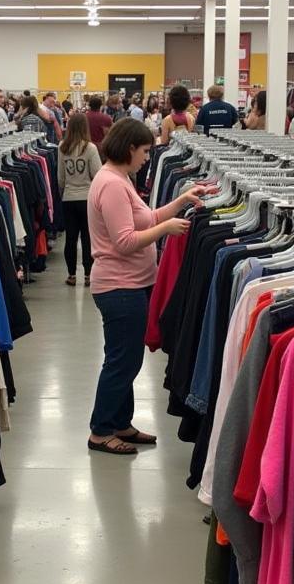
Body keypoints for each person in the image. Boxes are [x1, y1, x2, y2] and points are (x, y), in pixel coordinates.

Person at [86, 119, 211, 455]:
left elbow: (148, 219)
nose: (147, 157)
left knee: (126, 358)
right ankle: (100, 430)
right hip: (118, 286)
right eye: (144, 151)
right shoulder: (111, 184)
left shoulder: (119, 179)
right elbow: (125, 241)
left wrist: (181, 201)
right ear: (130, 148)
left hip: (130, 284)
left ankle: (120, 422)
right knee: (121, 361)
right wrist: (167, 228)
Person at [58, 112, 101, 287]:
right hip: (87, 198)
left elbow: (60, 177)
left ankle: (71, 274)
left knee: (70, 238)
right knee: (87, 238)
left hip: (68, 197)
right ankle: (88, 275)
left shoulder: (62, 147)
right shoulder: (90, 148)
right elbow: (97, 174)